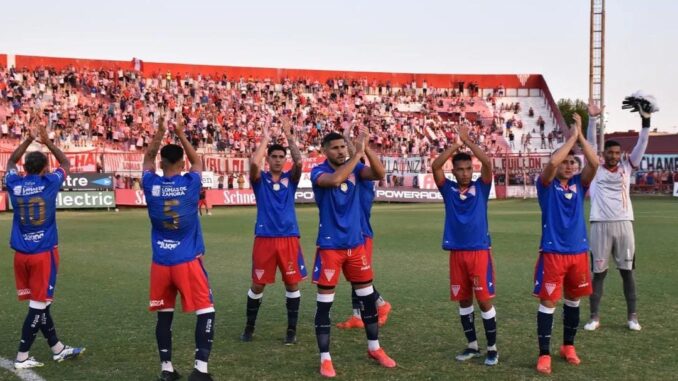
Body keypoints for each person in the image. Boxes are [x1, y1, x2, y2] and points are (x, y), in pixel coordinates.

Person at [311, 130, 395, 378]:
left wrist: (365, 149)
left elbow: (379, 173)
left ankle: (374, 348)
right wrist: (356, 155)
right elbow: (335, 180)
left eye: (342, 147)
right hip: (329, 247)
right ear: (325, 151)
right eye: (334, 148)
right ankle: (325, 359)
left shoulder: (357, 168)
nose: (340, 151)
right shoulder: (318, 171)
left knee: (367, 299)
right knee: (325, 304)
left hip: (356, 245)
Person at [5, 117, 85, 370]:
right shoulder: (49, 183)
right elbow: (65, 162)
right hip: (43, 254)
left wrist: (29, 138)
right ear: (43, 169)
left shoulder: (14, 183)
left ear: (25, 167)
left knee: (41, 304)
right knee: (38, 307)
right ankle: (22, 356)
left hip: (21, 255)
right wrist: (47, 141)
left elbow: (8, 162)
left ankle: (57, 348)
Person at [142, 114, 215, 381]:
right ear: (181, 163)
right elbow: (198, 162)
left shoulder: (150, 184)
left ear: (161, 164)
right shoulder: (190, 184)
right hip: (187, 259)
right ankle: (200, 369)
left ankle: (166, 368)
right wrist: (181, 133)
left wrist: (160, 132)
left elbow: (147, 160)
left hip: (160, 261)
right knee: (206, 309)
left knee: (164, 314)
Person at [533, 113, 599, 374]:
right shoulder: (546, 185)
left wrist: (580, 136)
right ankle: (543, 354)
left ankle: (568, 346)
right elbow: (552, 161)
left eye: (573, 162)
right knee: (548, 303)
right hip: (553, 253)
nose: (570, 165)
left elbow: (595, 163)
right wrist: (571, 138)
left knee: (573, 301)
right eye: (566, 162)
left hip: (578, 253)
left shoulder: (580, 185)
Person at [584, 95, 656, 332]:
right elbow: (590, 145)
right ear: (604, 154)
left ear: (620, 153)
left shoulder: (628, 165)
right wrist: (593, 119)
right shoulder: (595, 168)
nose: (614, 156)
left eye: (617, 153)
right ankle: (594, 317)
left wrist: (645, 121)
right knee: (599, 273)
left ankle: (632, 317)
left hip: (625, 224)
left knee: (627, 272)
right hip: (599, 225)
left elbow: (642, 143)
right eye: (610, 153)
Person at [431, 123, 498, 366]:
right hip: (456, 253)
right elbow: (435, 166)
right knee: (464, 300)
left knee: (484, 300)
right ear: (454, 171)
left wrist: (468, 142)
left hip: (479, 252)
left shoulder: (481, 187)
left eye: (469, 168)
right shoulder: (448, 189)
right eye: (460, 169)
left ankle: (492, 348)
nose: (465, 173)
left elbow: (488, 164)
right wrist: (455, 145)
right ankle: (472, 345)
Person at [240, 116, 307, 345]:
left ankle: (291, 329)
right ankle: (249, 327)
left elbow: (300, 164)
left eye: (281, 157)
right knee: (257, 284)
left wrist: (289, 136)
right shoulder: (260, 180)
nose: (278, 160)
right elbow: (254, 165)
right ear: (268, 159)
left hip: (288, 238)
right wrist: (266, 139)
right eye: (274, 157)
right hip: (265, 239)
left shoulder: (291, 179)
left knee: (292, 284)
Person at [336, 122, 392, 330]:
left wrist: (361, 146)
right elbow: (354, 156)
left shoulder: (363, 176)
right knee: (354, 277)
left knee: (360, 277)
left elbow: (356, 158)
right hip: (351, 232)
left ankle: (381, 305)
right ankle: (358, 315)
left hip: (360, 232)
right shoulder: (356, 174)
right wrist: (347, 135)